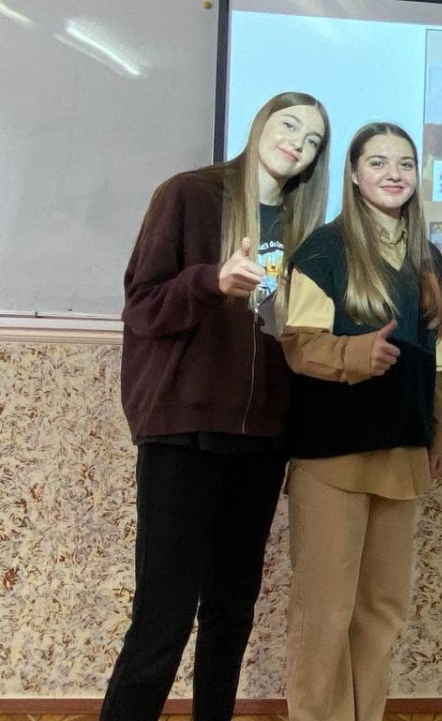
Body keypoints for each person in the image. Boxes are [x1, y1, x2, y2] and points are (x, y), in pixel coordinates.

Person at [100, 92, 331, 721]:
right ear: (260, 124)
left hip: (263, 438)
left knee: (231, 611)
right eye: (290, 125)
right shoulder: (189, 195)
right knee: (163, 617)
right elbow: (142, 306)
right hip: (185, 430)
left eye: (313, 140)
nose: (298, 143)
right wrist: (212, 281)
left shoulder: (306, 230)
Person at [280, 121, 442, 721]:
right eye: (378, 162)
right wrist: (358, 354)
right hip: (332, 456)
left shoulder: (431, 259)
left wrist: (441, 432)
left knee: (382, 610)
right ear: (354, 175)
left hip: (402, 453)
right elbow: (299, 344)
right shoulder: (322, 251)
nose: (393, 173)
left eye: (405, 163)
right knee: (325, 612)